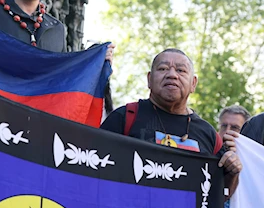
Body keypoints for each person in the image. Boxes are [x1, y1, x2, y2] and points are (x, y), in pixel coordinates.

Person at [100, 48, 242, 195]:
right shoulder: (124, 117)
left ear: (193, 83)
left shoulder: (209, 135)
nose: (172, 75)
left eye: (181, 70)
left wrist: (232, 173)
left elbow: (219, 196)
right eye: (163, 68)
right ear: (149, 79)